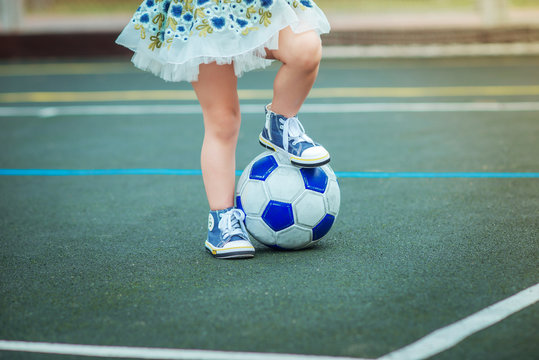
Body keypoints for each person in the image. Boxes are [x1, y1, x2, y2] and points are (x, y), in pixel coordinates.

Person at [116, 0, 331, 259]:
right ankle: (222, 221)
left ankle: (280, 123)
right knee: (222, 120)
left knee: (305, 50)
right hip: (203, 9)